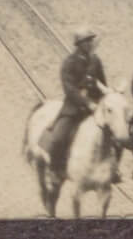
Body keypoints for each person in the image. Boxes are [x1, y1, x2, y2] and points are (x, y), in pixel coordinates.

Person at [43, 27, 108, 179]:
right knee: (58, 138)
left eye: (91, 41)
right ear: (79, 44)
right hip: (73, 108)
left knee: (112, 131)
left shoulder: (95, 61)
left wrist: (104, 97)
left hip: (94, 108)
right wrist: (86, 102)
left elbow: (102, 83)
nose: (91, 44)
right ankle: (54, 170)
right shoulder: (69, 63)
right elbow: (69, 90)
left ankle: (112, 169)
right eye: (87, 41)